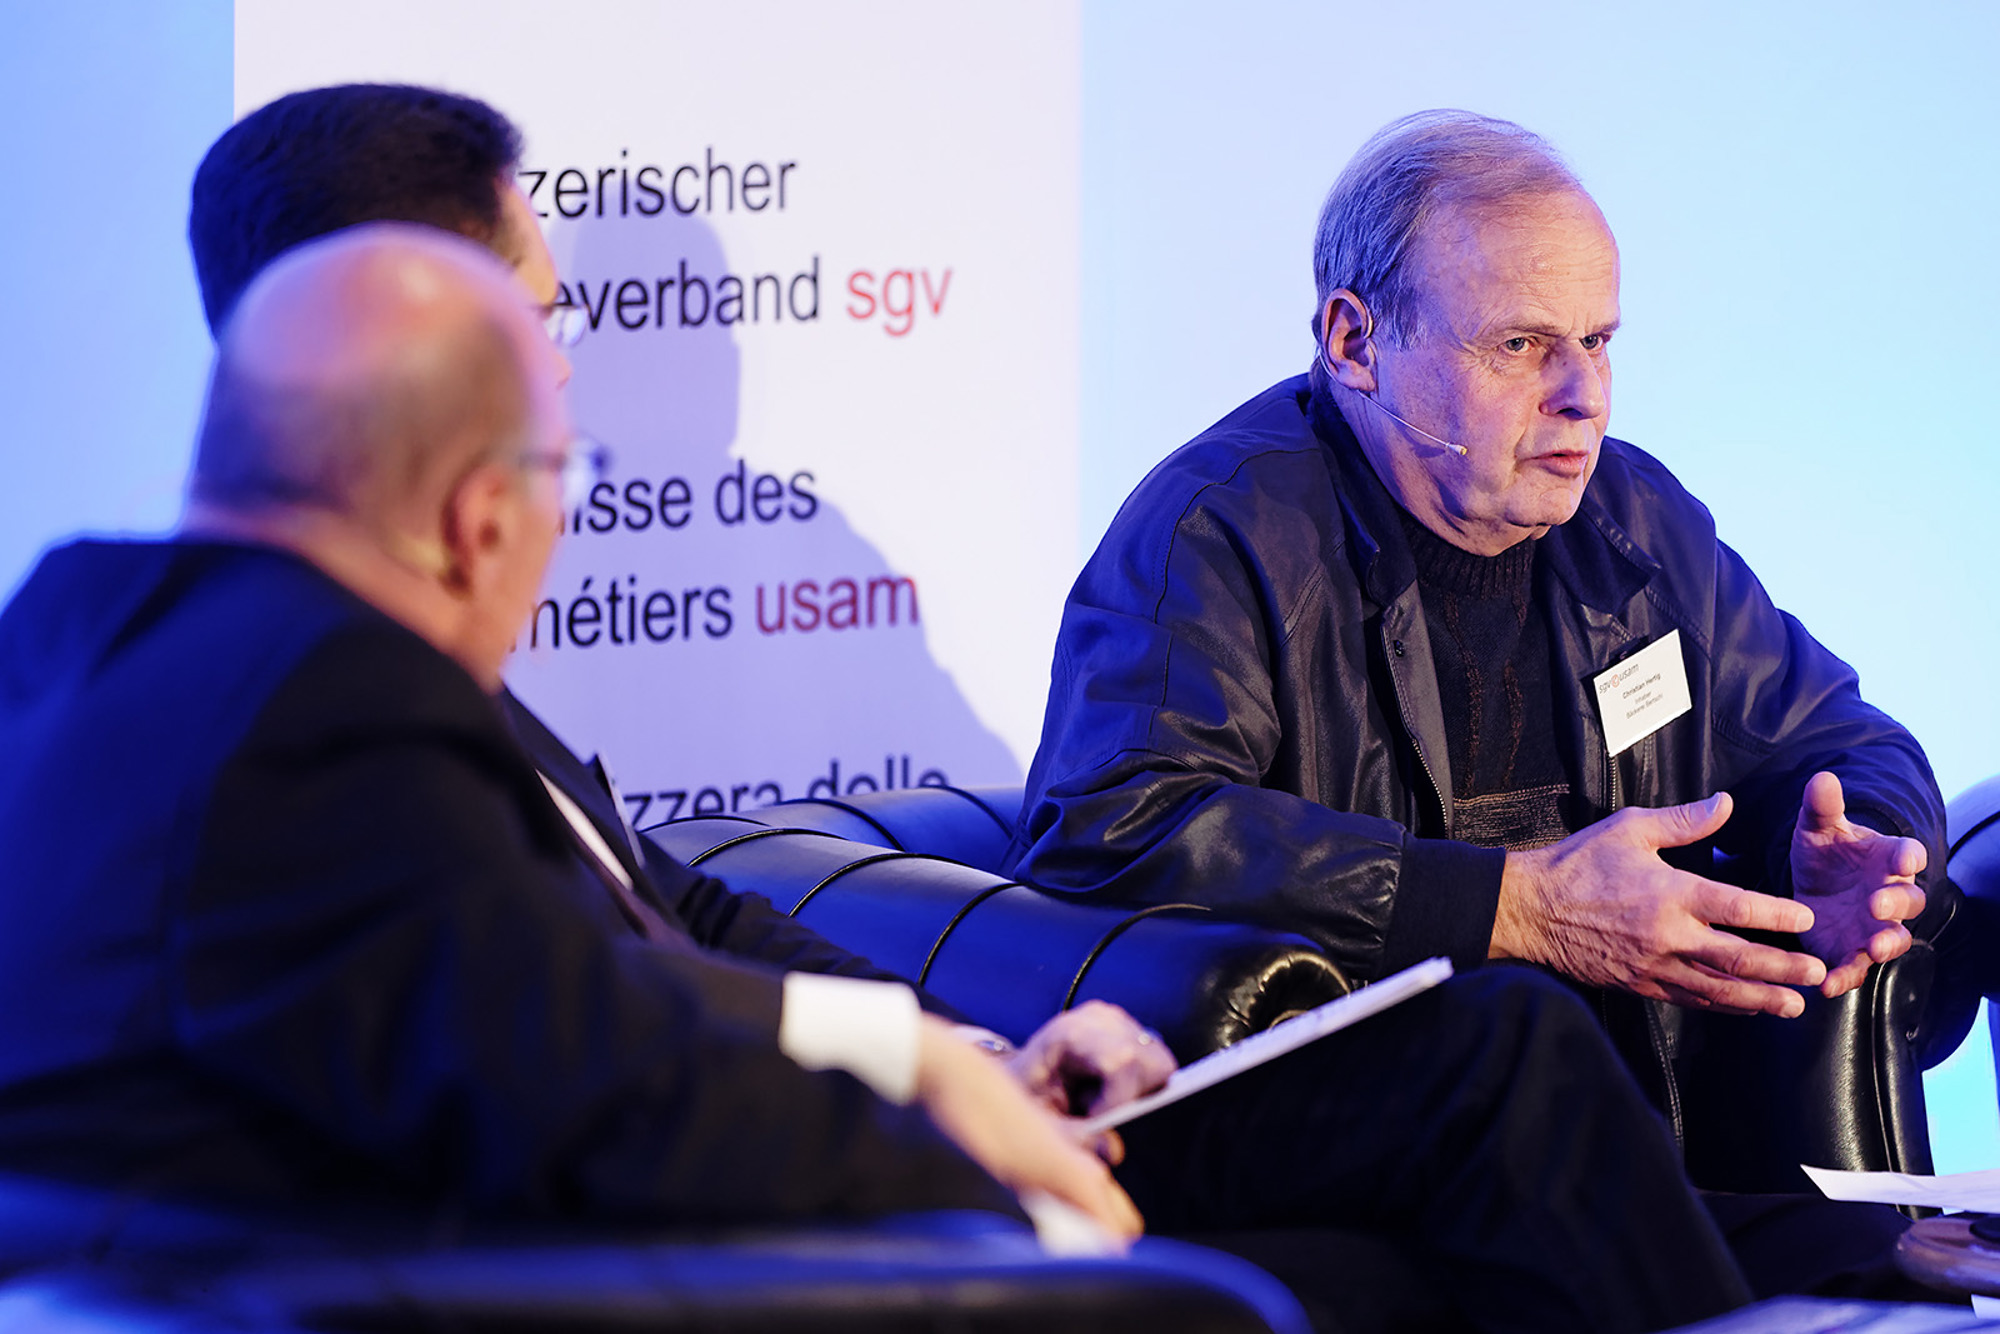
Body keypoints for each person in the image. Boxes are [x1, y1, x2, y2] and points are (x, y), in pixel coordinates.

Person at [58, 81, 1762, 1331]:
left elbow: (670, 923)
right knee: (1463, 1097)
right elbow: (570, 1068)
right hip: (657, 1249)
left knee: (1460, 1118)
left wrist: (955, 1046)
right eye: (544, 325)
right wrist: (954, 1134)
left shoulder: (119, 638)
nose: (567, 376)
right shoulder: (315, 710)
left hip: (788, 1143)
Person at [1009, 109, 1954, 1295]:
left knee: (1894, 1272)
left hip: (1624, 1171)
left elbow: (1838, 736)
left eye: (1596, 341)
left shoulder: (1633, 523)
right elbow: (1108, 825)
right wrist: (1509, 906)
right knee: (1519, 1032)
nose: (1581, 395)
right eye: (1518, 344)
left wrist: (1842, 842)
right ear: (1355, 340)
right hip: (1365, 1162)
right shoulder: (1218, 532)